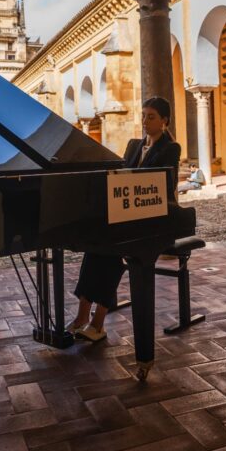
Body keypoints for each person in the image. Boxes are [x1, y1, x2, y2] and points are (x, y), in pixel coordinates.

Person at [68, 97, 181, 342]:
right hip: (128, 216)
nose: (145, 121)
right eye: (143, 116)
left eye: (151, 116)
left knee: (109, 250)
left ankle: (95, 320)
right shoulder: (133, 146)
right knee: (97, 247)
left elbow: (164, 184)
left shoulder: (171, 148)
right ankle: (85, 315)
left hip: (151, 218)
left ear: (165, 121)